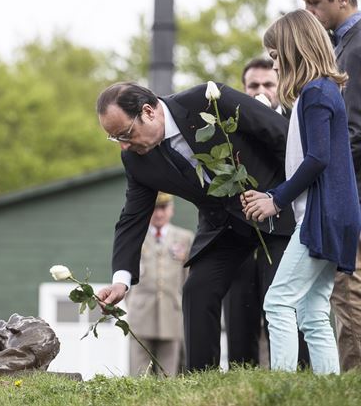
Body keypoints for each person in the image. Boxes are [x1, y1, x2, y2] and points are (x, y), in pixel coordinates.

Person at [94, 77, 295, 371]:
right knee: (197, 290)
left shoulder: (208, 101)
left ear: (149, 112)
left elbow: (283, 137)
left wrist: (283, 197)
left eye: (125, 133)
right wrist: (121, 279)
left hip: (274, 209)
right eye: (116, 139)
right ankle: (201, 381)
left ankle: (298, 372)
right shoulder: (137, 160)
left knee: (282, 294)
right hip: (224, 227)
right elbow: (132, 217)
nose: (124, 145)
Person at [243, 9, 360, 374]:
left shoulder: (316, 92)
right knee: (312, 309)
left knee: (278, 301)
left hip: (322, 217)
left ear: (295, 51)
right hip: (334, 215)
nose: (275, 67)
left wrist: (275, 198)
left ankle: (281, 384)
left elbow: (317, 159)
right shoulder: (320, 91)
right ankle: (326, 388)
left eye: (277, 57)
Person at [222, 58, 309, 368]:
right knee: (239, 317)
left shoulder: (297, 124)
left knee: (288, 313)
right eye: (253, 86)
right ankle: (241, 379)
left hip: (285, 232)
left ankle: (295, 377)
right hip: (241, 233)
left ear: (279, 86)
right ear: (243, 90)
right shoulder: (229, 129)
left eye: (268, 84)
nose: (261, 90)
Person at [296, 0, 361, 372]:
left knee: (348, 290)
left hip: (353, 190)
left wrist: (334, 190)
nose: (310, 14)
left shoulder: (354, 48)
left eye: (314, 4)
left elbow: (352, 132)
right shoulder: (343, 45)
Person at [125, 192, 193, 376]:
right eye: (154, 208)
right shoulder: (135, 237)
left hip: (171, 312)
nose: (159, 213)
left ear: (171, 209)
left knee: (168, 375)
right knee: (138, 375)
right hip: (140, 313)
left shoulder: (184, 238)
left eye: (163, 208)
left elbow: (187, 277)